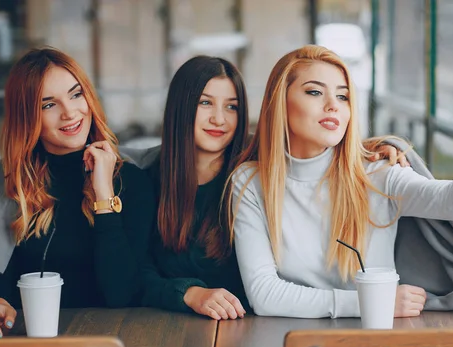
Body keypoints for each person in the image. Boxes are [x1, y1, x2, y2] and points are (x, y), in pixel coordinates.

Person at [230, 45, 453, 319]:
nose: (334, 105)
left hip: (378, 338)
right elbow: (264, 295)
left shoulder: (376, 173)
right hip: (285, 342)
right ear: (280, 103)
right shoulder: (250, 183)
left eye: (344, 96)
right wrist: (369, 303)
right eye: (314, 92)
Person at [124, 55, 405, 320]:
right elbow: (137, 275)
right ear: (180, 108)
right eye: (205, 103)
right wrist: (189, 294)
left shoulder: (259, 172)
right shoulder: (148, 180)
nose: (219, 119)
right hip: (170, 327)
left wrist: (370, 150)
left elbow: (317, 152)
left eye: (231, 107)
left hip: (261, 325)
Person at [0, 48, 154, 337]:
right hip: (30, 343)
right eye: (48, 105)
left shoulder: (131, 181)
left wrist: (103, 194)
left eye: (75, 95)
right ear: (27, 117)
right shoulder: (7, 181)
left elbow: (121, 295)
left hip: (116, 341)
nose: (70, 112)